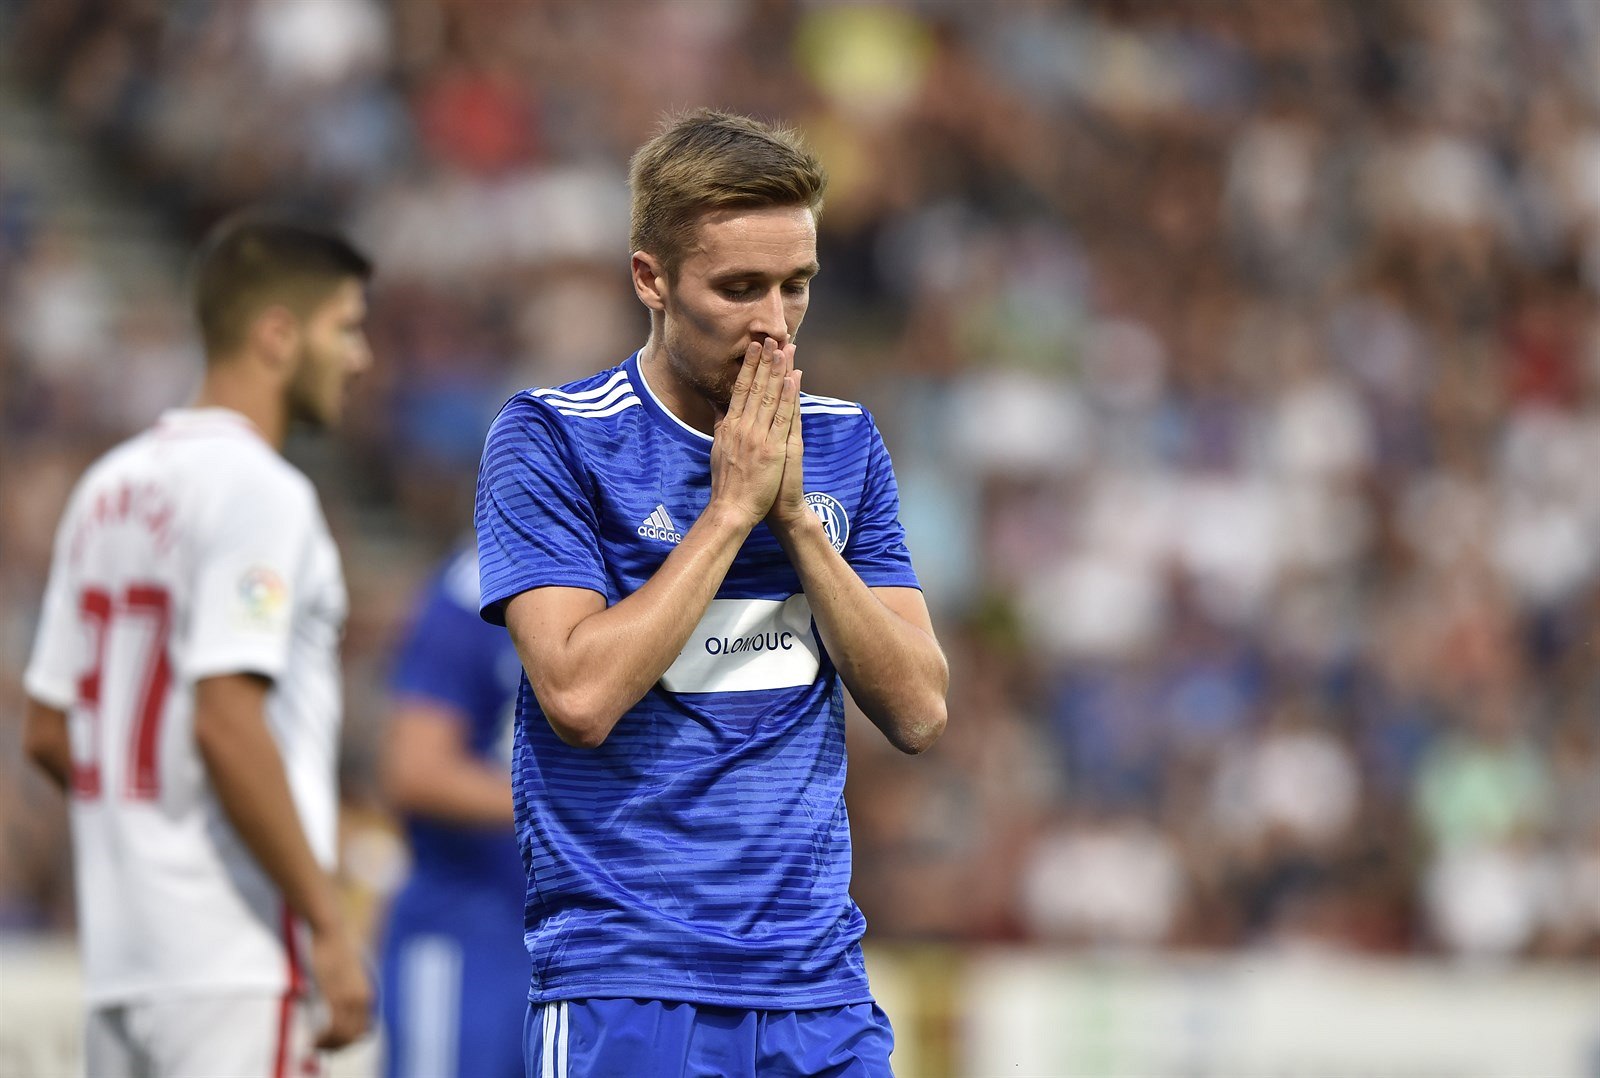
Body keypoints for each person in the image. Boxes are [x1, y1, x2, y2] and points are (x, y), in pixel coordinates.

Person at [475, 108, 950, 1077]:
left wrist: (798, 525)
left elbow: (919, 709)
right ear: (650, 279)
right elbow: (578, 697)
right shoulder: (553, 439)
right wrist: (731, 512)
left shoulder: (845, 443)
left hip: (817, 987)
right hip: (627, 980)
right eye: (738, 289)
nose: (773, 322)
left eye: (795, 285)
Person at [22, 214, 375, 1077]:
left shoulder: (107, 487)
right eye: (345, 328)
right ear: (278, 335)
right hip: (237, 959)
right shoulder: (263, 493)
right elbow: (226, 722)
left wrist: (150, 834)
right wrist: (327, 922)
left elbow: (46, 730)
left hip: (122, 965)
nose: (360, 357)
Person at [376, 541, 527, 1078]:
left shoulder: (637, 558)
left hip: (587, 935)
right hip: (471, 929)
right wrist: (575, 805)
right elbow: (417, 770)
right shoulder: (478, 583)